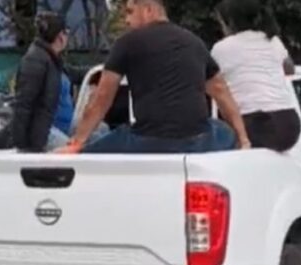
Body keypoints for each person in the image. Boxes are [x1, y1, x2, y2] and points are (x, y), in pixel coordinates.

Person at [57, 0, 250, 154]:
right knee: (222, 130)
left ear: (148, 10)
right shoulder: (195, 42)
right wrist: (243, 139)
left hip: (147, 140)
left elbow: (102, 98)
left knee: (92, 150)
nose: (126, 21)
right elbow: (221, 91)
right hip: (197, 139)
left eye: (130, 12)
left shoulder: (127, 43)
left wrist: (77, 142)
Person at [212, 0, 301, 152]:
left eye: (221, 23)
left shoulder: (221, 48)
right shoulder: (273, 41)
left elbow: (210, 81)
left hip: (252, 125)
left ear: (230, 22)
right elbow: (290, 68)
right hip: (288, 125)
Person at [12, 12, 69, 152]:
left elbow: (73, 73)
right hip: (41, 134)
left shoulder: (52, 60)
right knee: (75, 152)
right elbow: (23, 103)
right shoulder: (35, 60)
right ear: (60, 36)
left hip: (51, 127)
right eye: (66, 32)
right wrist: (25, 145)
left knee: (98, 132)